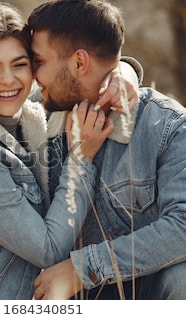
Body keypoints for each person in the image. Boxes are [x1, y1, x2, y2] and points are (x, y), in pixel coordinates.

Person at [0, 2, 139, 300]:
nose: (8, 80)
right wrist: (80, 161)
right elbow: (47, 250)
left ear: (35, 68)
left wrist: (124, 71)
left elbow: (81, 75)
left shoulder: (31, 118)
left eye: (20, 64)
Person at [27, 0, 186, 300]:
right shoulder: (35, 116)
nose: (33, 75)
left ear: (78, 63)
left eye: (39, 62)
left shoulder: (168, 127)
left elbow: (183, 226)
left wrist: (82, 270)